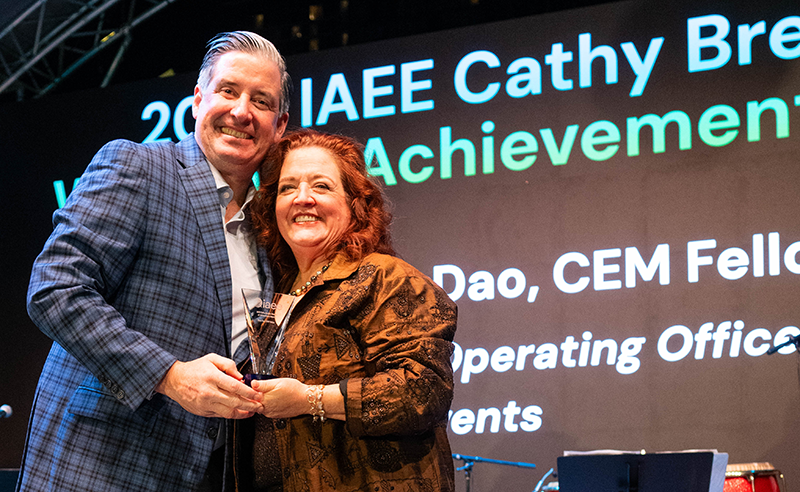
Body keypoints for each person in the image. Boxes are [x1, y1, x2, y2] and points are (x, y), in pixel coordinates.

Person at [18, 31, 289, 492]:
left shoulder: (266, 232)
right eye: (228, 91)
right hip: (99, 468)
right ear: (198, 100)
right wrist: (170, 376)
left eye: (261, 101)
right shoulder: (138, 166)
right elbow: (55, 287)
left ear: (279, 125)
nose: (242, 111)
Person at [234, 129, 457, 491]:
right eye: (288, 188)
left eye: (321, 186)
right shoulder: (276, 292)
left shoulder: (385, 278)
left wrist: (309, 400)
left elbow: (423, 391)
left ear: (355, 204)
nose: (302, 198)